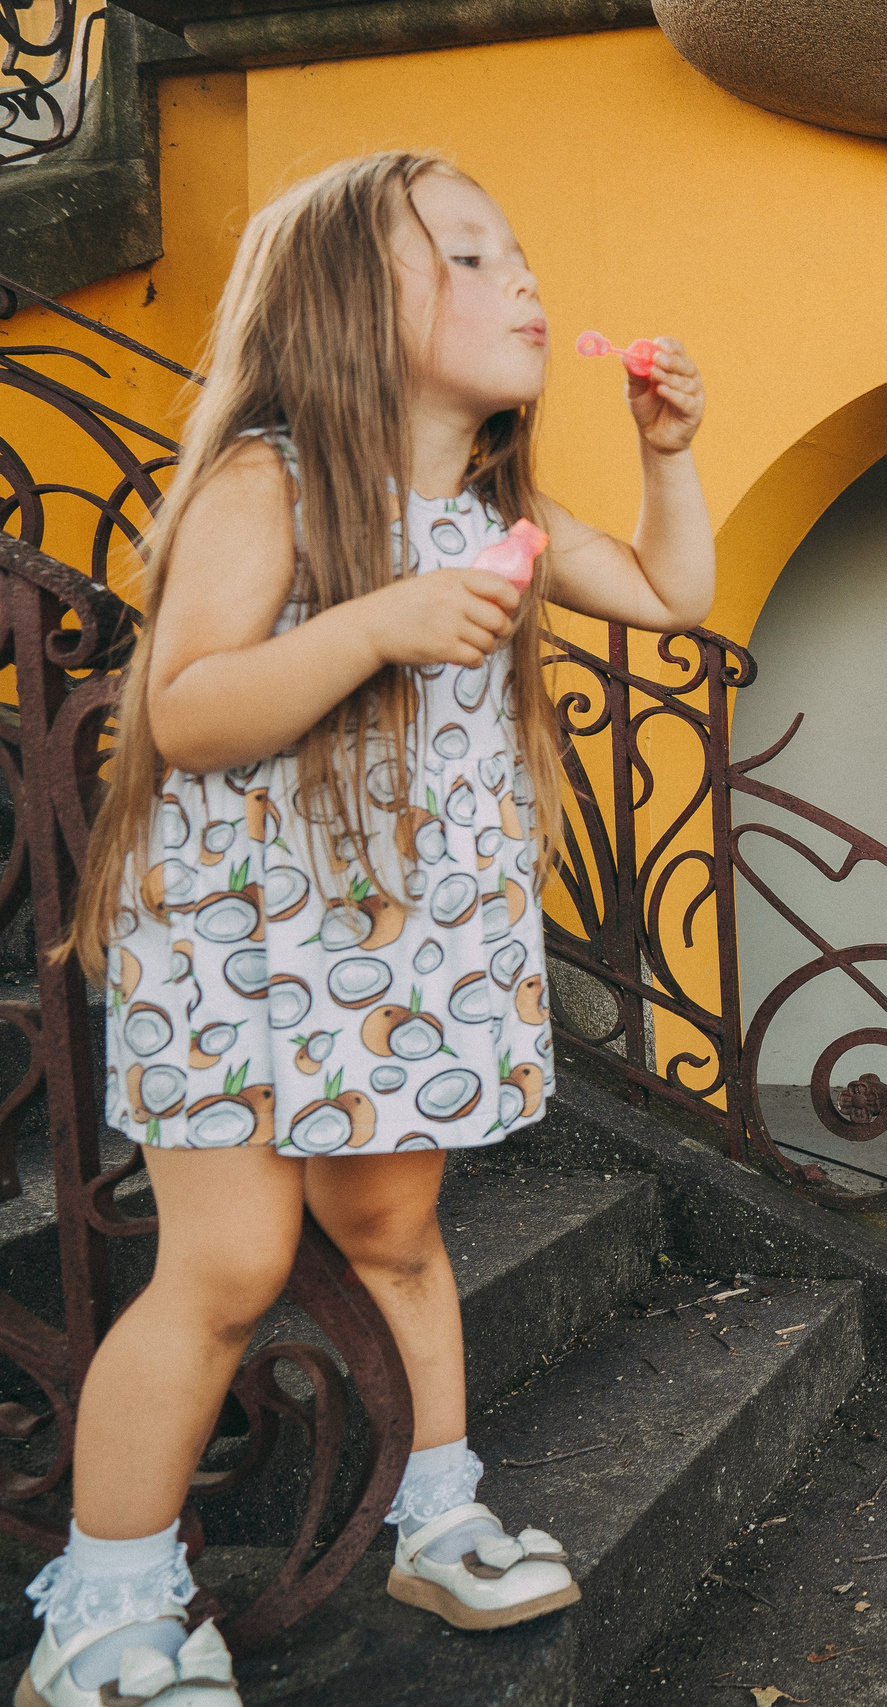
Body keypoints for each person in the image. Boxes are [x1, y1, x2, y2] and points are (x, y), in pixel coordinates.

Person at [40, 151, 714, 1706]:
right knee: (226, 1260)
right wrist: (379, 624)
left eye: (520, 249)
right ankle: (107, 1603)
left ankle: (435, 1510)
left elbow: (676, 594)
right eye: (470, 254)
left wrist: (669, 454)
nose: (524, 278)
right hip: (236, 942)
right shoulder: (265, 479)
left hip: (410, 947)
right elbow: (188, 709)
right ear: (350, 303)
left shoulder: (502, 510)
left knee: (395, 1230)